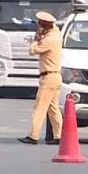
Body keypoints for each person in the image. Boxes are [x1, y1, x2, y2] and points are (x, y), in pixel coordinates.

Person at [19, 10, 62, 145]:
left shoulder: (48, 40)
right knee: (53, 108)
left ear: (43, 27)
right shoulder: (56, 35)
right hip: (55, 76)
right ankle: (59, 135)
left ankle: (33, 136)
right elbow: (53, 29)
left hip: (48, 77)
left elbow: (32, 51)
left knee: (39, 108)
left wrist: (36, 40)